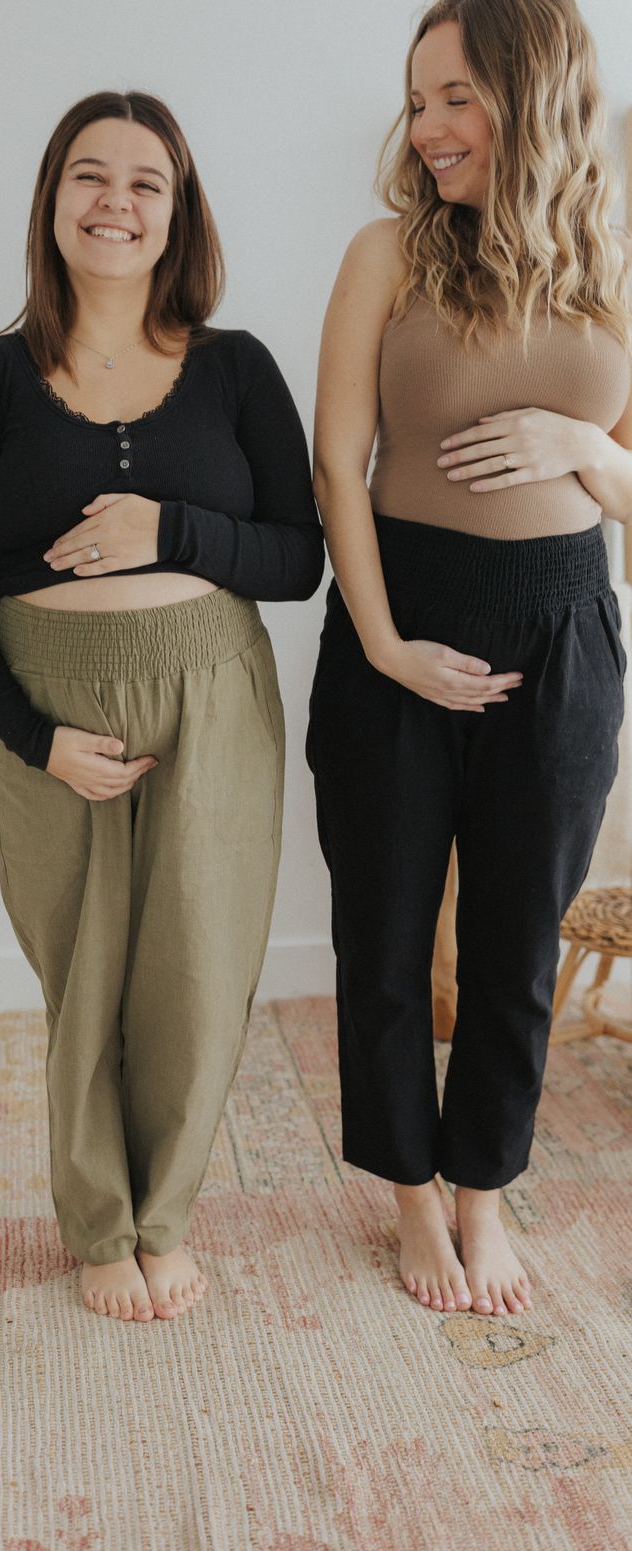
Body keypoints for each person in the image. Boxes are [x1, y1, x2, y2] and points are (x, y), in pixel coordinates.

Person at [0, 90, 323, 1322]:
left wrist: (169, 529)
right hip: (46, 698)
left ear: (177, 210)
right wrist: (33, 738)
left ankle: (166, 1215)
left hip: (213, 687)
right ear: (49, 201)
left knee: (196, 967)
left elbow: (298, 559)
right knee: (81, 973)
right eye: (88, 176)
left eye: (145, 182)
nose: (115, 203)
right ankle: (97, 1224)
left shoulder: (235, 367)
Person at [309, 0, 630, 1317]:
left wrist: (580, 450)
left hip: (560, 622)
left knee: (512, 944)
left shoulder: (609, 259)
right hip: (401, 609)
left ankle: (480, 1194)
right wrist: (382, 643)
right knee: (382, 937)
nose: (427, 128)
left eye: (455, 97)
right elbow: (337, 460)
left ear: (528, 90)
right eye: (417, 100)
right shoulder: (386, 251)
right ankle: (404, 1198)